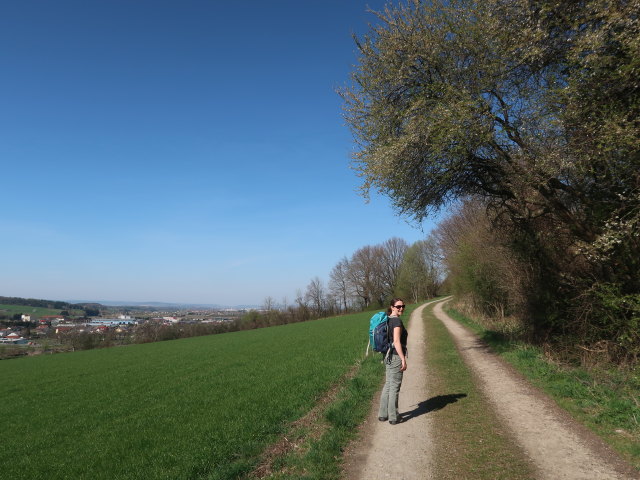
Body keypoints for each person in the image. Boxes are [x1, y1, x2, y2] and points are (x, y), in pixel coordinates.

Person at [378, 298, 408, 425]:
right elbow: (396, 341)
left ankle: (382, 414)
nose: (401, 308)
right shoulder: (396, 321)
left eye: (403, 306)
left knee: (388, 384)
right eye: (398, 306)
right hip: (395, 356)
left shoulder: (387, 319)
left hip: (387, 356)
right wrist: (403, 358)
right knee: (394, 386)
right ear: (392, 307)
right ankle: (393, 416)